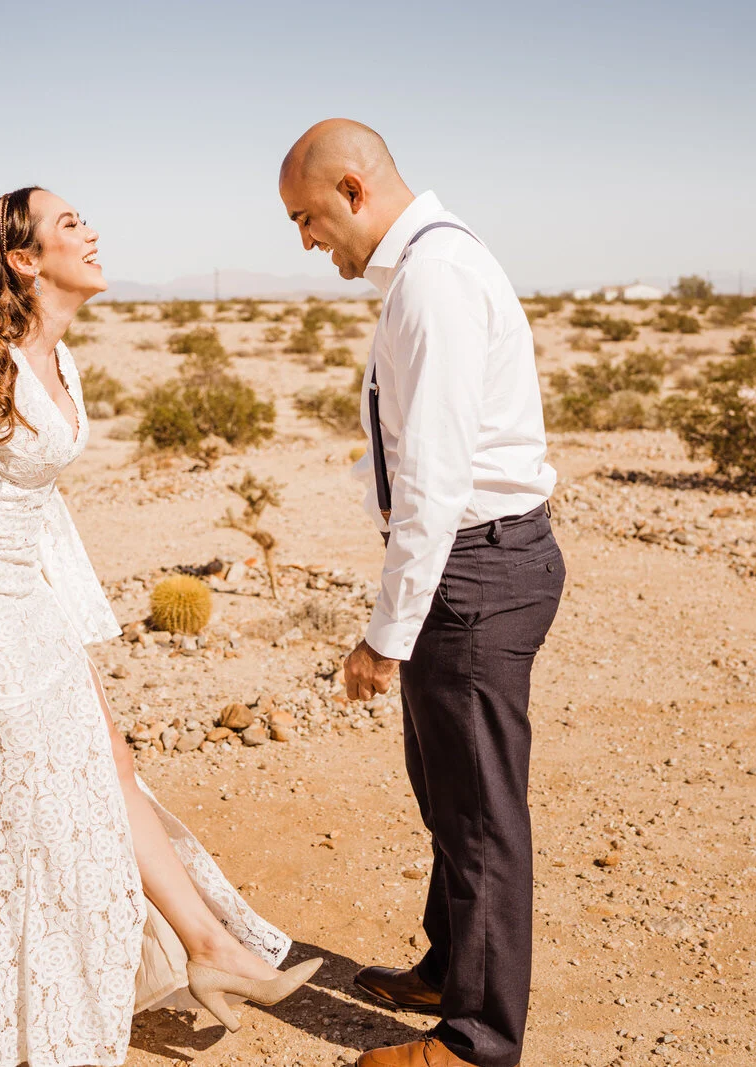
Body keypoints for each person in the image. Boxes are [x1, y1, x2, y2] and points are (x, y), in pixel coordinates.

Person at [0, 187, 320, 1067]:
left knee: (113, 768)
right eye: (70, 223)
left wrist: (72, 617)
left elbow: (38, 502)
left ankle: (213, 950)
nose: (92, 231)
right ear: (26, 260)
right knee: (37, 815)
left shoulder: (60, 365)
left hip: (36, 608)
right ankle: (47, 1013)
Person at [278, 121, 565, 1067]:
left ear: (353, 190)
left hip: (475, 570)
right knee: (446, 786)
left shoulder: (435, 280)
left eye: (309, 218)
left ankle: (478, 1041)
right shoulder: (424, 272)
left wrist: (385, 635)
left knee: (480, 811)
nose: (309, 242)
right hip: (466, 565)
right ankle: (451, 963)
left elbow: (437, 478)